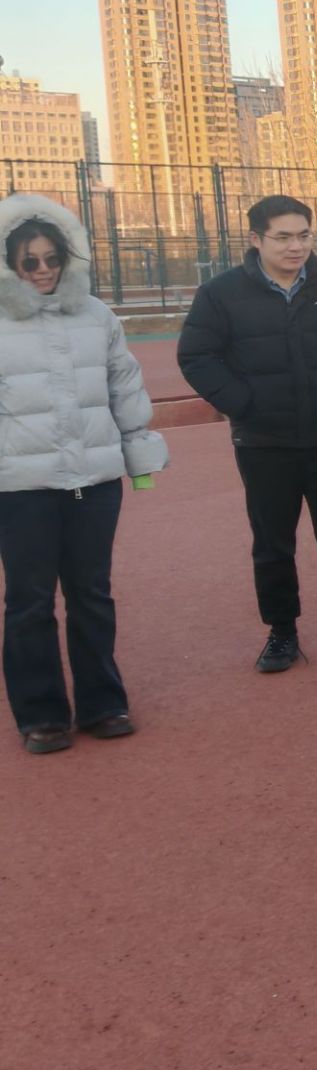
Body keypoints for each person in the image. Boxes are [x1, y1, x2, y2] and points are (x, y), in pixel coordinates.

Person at [177, 194, 317, 674]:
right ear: (256, 239)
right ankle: (282, 634)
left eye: (303, 235)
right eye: (283, 237)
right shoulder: (222, 294)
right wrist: (243, 403)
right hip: (263, 444)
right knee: (273, 544)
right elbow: (195, 356)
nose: (296, 246)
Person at [0, 196, 168, 755]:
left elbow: (125, 388)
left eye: (52, 258)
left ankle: (103, 704)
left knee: (92, 594)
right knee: (29, 601)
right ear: (9, 264)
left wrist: (140, 462)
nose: (43, 270)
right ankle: (41, 715)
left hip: (94, 483)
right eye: (29, 261)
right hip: (20, 489)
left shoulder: (97, 317)